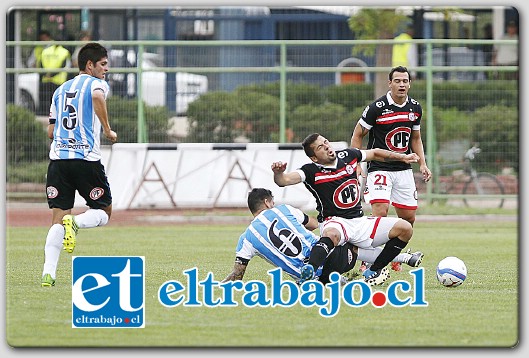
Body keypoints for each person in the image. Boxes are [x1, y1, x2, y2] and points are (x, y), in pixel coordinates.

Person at [271, 133, 424, 286]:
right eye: (320, 147)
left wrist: (402, 157)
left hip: (359, 221)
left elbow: (375, 153)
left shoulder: (348, 155)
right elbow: (284, 180)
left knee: (405, 228)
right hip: (335, 221)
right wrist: (278, 173)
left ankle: (374, 269)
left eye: (325, 142)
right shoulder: (310, 170)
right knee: (332, 235)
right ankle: (309, 270)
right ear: (314, 158)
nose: (326, 146)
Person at [222, 188, 420, 285]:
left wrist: (219, 284)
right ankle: (401, 258)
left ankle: (337, 280)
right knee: (346, 238)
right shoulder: (284, 210)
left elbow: (237, 276)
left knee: (337, 244)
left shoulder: (246, 239)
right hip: (332, 260)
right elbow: (316, 224)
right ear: (267, 202)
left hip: (305, 280)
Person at [41, 42, 117, 287]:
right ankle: (77, 222)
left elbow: (52, 131)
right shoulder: (97, 84)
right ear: (90, 65)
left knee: (57, 217)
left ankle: (48, 274)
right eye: (103, 64)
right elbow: (96, 96)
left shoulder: (60, 90)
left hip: (59, 162)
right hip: (85, 160)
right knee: (103, 212)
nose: (106, 69)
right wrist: (107, 129)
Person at [38, 34, 71, 115]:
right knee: (57, 103)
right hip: (58, 82)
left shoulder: (45, 51)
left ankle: (45, 117)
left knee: (46, 103)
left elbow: (40, 64)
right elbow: (64, 66)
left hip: (45, 80)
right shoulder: (65, 52)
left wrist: (46, 74)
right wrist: (52, 75)